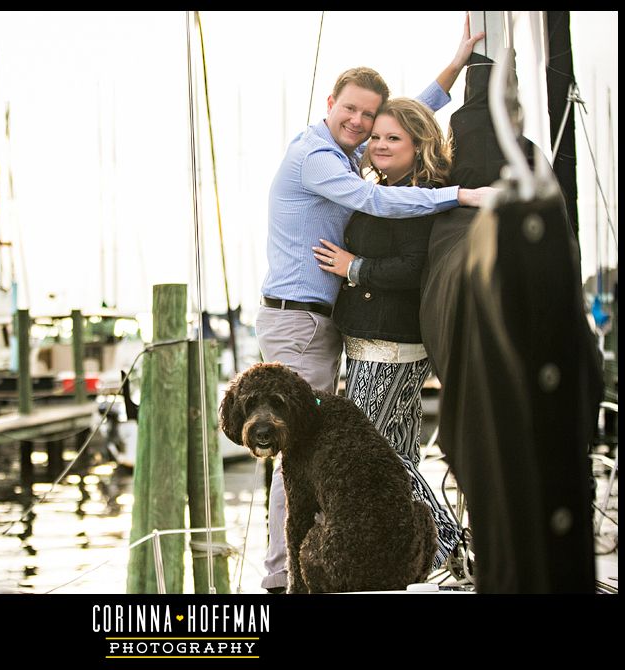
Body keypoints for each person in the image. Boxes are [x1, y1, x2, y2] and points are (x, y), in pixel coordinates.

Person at [256, 17, 490, 592]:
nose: (362, 126)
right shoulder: (319, 160)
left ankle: (417, 553)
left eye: (370, 119)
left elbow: (404, 123)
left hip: (324, 324)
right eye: (353, 112)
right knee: (302, 454)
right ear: (330, 102)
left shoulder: (353, 149)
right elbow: (374, 197)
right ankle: (284, 574)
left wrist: (455, 66)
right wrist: (460, 194)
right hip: (297, 321)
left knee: (355, 453)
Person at [312, 97, 462, 570]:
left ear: (418, 146)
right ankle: (436, 556)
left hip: (389, 347)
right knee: (398, 455)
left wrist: (352, 267)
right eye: (375, 136)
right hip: (375, 343)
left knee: (374, 455)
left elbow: (416, 268)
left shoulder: (416, 196)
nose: (377, 144)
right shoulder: (387, 188)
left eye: (392, 138)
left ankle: (452, 546)